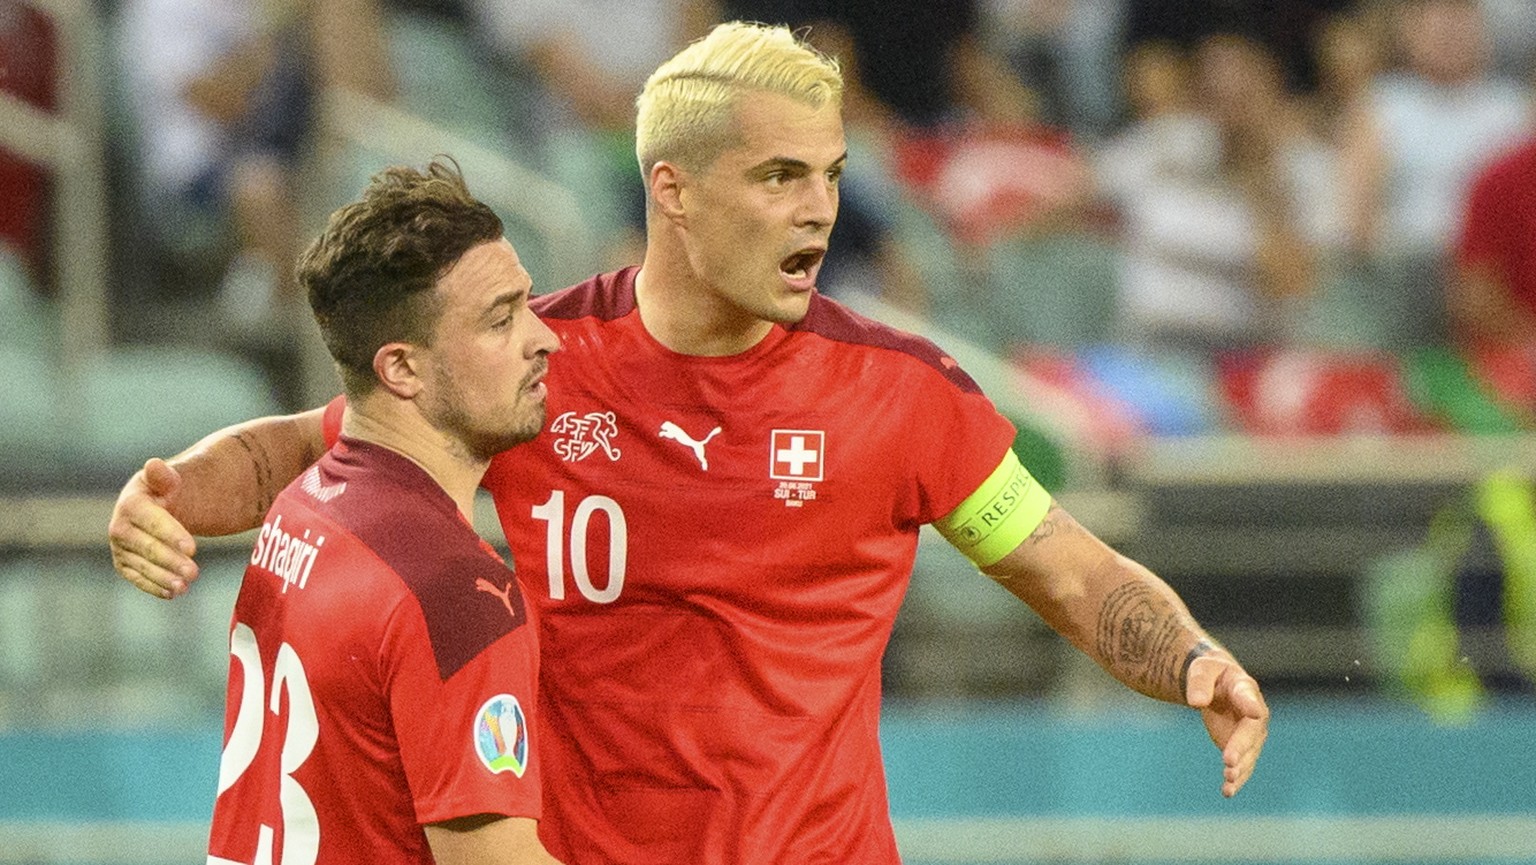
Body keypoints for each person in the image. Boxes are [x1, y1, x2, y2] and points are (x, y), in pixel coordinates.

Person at [108, 23, 1269, 865]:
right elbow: (310, 449)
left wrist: (1190, 659)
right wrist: (166, 491)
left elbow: (1066, 567)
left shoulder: (908, 397)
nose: (818, 209)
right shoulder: (531, 365)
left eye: (830, 175)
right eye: (777, 176)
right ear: (672, 189)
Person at [189, 159, 563, 863]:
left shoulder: (304, 508)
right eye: (501, 319)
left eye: (530, 305)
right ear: (401, 368)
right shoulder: (459, 596)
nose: (545, 338)